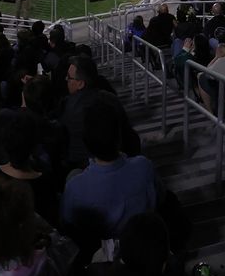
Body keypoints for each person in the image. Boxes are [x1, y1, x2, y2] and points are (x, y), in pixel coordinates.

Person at [59, 102, 157, 247]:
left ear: (86, 141)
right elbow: (159, 198)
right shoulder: (144, 166)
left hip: (97, 250)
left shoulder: (75, 187)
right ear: (119, 137)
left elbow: (67, 223)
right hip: (143, 243)